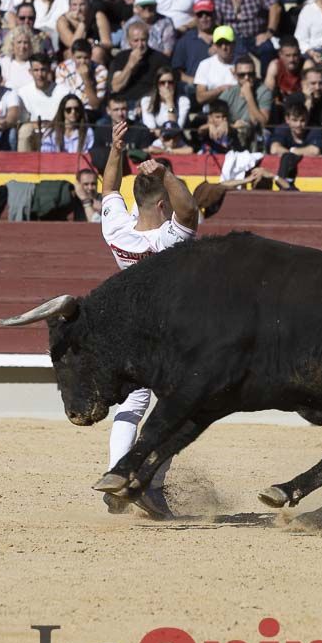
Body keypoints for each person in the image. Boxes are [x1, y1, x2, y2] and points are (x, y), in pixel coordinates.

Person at [97, 118, 198, 518]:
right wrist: (168, 172)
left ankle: (118, 474)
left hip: (127, 331)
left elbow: (107, 189)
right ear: (162, 205)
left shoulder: (116, 231)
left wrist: (116, 149)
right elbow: (189, 209)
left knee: (133, 403)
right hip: (170, 336)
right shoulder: (169, 241)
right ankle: (151, 485)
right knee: (182, 409)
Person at [108, 21, 171, 105]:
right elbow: (116, 87)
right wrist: (130, 65)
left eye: (143, 40)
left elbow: (165, 87)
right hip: (125, 103)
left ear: (148, 38)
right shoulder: (121, 57)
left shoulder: (160, 59)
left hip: (149, 103)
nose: (140, 45)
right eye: (136, 41)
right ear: (129, 41)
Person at [16, 53, 69, 151]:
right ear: (30, 72)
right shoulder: (22, 93)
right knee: (25, 131)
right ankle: (22, 165)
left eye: (43, 70)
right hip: (33, 136)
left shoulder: (63, 91)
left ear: (49, 70)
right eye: (36, 70)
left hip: (56, 133)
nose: (40, 74)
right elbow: (22, 122)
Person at [170, 0, 216, 87]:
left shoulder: (226, 34)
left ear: (214, 15)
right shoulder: (185, 40)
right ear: (195, 17)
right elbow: (176, 70)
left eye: (208, 14)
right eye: (200, 15)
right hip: (193, 87)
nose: (204, 18)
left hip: (222, 84)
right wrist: (195, 81)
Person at [193, 24, 238, 105]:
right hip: (212, 112)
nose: (224, 47)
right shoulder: (205, 65)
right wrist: (220, 90)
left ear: (234, 44)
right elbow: (200, 97)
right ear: (214, 45)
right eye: (220, 43)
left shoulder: (241, 64)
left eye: (227, 43)